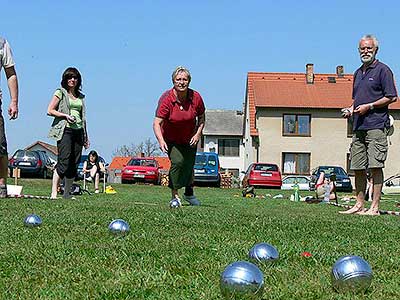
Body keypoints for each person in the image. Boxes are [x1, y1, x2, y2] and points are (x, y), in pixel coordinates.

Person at [340, 34, 397, 215]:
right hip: (358, 126)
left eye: (369, 49)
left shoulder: (383, 70)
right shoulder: (357, 73)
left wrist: (370, 106)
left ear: (376, 50)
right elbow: (357, 100)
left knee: (375, 166)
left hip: (376, 125)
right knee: (357, 167)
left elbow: (392, 96)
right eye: (362, 49)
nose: (365, 52)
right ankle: (359, 205)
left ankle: (375, 207)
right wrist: (351, 109)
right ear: (358, 51)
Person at [153, 66, 205, 206]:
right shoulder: (167, 99)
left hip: (190, 137)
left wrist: (198, 133)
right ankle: (174, 196)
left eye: (185, 79)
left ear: (189, 81)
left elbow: (201, 117)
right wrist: (161, 140)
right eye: (178, 80)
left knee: (189, 165)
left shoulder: (196, 97)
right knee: (178, 162)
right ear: (173, 81)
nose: (182, 82)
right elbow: (157, 123)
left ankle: (189, 193)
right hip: (171, 139)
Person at [47, 67, 89, 199]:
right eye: (70, 77)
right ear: (65, 79)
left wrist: (86, 136)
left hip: (78, 131)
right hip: (65, 130)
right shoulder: (60, 92)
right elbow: (50, 110)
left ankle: (66, 193)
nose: (72, 80)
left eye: (75, 78)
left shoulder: (81, 96)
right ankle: (54, 192)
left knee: (74, 163)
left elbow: (83, 118)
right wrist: (65, 116)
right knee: (64, 161)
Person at [0, 37, 18, 197]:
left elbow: (10, 72)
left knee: (0, 146)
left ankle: (1, 185)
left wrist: (14, 101)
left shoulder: (2, 43)